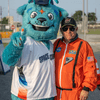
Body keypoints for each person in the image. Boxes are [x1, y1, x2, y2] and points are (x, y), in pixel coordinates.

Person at [53, 17, 97, 100]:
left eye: (72, 28)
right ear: (61, 30)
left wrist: (86, 88)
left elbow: (91, 69)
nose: (68, 31)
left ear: (76, 29)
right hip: (56, 93)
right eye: (65, 28)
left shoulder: (84, 45)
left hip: (75, 93)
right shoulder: (56, 44)